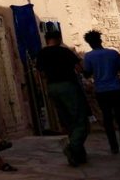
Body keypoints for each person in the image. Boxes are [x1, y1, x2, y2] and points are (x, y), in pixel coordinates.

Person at [36, 31, 90, 166]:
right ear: (59, 38)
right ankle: (73, 148)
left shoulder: (42, 54)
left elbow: (41, 74)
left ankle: (78, 155)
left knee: (67, 121)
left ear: (46, 39)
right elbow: (79, 68)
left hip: (52, 88)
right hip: (68, 86)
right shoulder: (65, 52)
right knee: (80, 121)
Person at [82, 30, 120, 158]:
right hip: (116, 89)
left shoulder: (88, 57)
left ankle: (114, 147)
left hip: (101, 91)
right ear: (100, 40)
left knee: (107, 119)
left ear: (89, 43)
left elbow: (87, 73)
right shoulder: (113, 53)